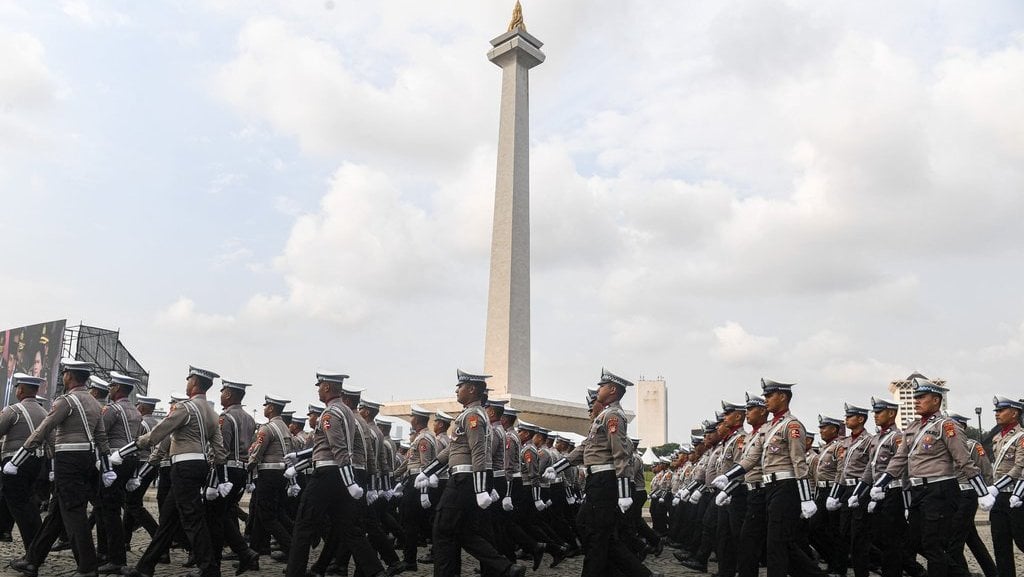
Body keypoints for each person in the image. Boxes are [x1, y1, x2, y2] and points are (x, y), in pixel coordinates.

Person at [866, 378, 993, 577]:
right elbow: (899, 459)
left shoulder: (946, 426)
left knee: (932, 544)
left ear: (936, 400)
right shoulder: (913, 427)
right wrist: (881, 483)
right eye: (915, 397)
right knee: (914, 542)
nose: (916, 401)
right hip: (919, 492)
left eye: (921, 397)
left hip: (939, 490)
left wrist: (982, 492)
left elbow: (964, 460)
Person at [546, 369, 661, 577]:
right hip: (596, 480)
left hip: (605, 481)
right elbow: (584, 450)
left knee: (597, 535)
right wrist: (557, 467)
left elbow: (621, 454)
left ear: (612, 390)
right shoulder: (604, 416)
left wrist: (625, 492)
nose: (598, 389)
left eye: (602, 386)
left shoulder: (613, 416)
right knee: (597, 532)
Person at [119, 366, 231, 577]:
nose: (187, 383)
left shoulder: (185, 408)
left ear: (195, 382)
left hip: (184, 467)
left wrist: (131, 447)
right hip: (200, 465)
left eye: (189, 379)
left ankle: (209, 569)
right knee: (168, 520)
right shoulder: (212, 413)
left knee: (193, 518)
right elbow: (219, 449)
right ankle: (145, 567)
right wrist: (220, 477)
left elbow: (158, 434)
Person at [416, 370, 527, 577]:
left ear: (472, 389)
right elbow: (452, 449)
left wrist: (480, 488)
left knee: (442, 529)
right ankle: (506, 568)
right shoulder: (468, 414)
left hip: (463, 480)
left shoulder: (473, 415)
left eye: (461, 386)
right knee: (463, 532)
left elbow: (479, 451)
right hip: (463, 478)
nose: (457, 390)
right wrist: (428, 470)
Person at [8, 359, 113, 577]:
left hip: (69, 460)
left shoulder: (66, 401)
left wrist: (16, 460)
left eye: (65, 373)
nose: (63, 376)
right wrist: (107, 466)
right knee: (56, 513)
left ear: (70, 376)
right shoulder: (95, 403)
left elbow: (43, 429)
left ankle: (87, 567)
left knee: (74, 513)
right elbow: (101, 437)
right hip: (86, 459)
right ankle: (32, 560)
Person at [715, 378, 824, 577]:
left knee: (777, 544)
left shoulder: (791, 425)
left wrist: (806, 498)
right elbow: (751, 458)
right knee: (774, 542)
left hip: (786, 487)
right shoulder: (768, 428)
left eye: (769, 395)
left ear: (782, 397)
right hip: (770, 488)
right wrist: (728, 477)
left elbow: (799, 462)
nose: (766, 400)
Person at [283, 372, 387, 577]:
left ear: (328, 387)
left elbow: (337, 448)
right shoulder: (347, 412)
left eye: (320, 386)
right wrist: (297, 458)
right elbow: (328, 446)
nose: (318, 389)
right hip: (340, 475)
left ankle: (294, 573)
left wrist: (350, 482)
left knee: (304, 526)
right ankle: (376, 571)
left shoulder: (330, 414)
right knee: (350, 528)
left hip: (327, 475)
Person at [93, 372, 143, 574]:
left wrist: (100, 461)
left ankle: (113, 556)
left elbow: (100, 434)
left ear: (119, 389)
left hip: (113, 460)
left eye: (112, 386)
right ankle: (109, 552)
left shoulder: (112, 410)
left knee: (109, 509)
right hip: (129, 460)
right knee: (112, 507)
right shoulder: (136, 412)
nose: (110, 389)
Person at [212, 380, 259, 574]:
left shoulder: (226, 417)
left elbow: (221, 450)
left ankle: (227, 558)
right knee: (224, 514)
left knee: (215, 515)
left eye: (223, 391)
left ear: (229, 394)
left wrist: (216, 479)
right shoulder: (249, 418)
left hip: (227, 470)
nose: (221, 394)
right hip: (241, 470)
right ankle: (244, 554)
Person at [0, 373, 48, 553]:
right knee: (17, 498)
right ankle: (4, 530)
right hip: (36, 462)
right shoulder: (44, 412)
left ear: (20, 390)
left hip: (15, 462)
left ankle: (33, 550)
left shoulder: (13, 410)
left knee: (20, 506)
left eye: (18, 388)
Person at [249, 395, 294, 563]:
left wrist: (248, 467)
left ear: (271, 408)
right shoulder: (284, 427)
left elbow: (257, 452)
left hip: (268, 474)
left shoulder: (267, 428)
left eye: (266, 405)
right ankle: (253, 555)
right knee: (267, 514)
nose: (264, 407)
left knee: (267, 516)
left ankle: (291, 548)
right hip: (281, 473)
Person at [393, 404, 437, 572]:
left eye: (412, 416)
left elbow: (425, 467)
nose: (410, 419)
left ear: (417, 420)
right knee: (412, 521)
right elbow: (408, 462)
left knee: (410, 522)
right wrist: (394, 476)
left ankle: (409, 559)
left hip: (418, 483)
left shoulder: (424, 438)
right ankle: (410, 557)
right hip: (413, 481)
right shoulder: (421, 437)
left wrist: (424, 493)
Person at [984, 396, 1024, 577]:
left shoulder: (1021, 437)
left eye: (1001, 411)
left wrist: (995, 487)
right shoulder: (997, 437)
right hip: (999, 497)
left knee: (1022, 540)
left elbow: (1019, 467)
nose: (997, 414)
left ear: (1014, 413)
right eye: (996, 411)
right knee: (1000, 544)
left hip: (1017, 497)